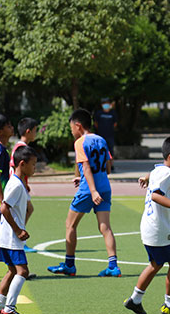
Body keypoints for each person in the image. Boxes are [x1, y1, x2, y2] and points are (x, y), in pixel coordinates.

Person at [125, 135, 170, 314]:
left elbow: (153, 173)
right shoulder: (166, 173)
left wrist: (146, 177)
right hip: (158, 228)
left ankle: (135, 300)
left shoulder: (159, 170)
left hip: (149, 226)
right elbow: (156, 195)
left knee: (156, 264)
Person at [47, 109, 119, 277]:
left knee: (70, 224)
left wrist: (91, 189)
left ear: (78, 125)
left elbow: (86, 167)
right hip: (105, 187)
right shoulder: (101, 140)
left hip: (89, 190)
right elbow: (108, 167)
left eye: (72, 127)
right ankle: (113, 266)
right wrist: (94, 183)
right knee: (105, 227)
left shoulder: (80, 142)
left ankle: (69, 264)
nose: (72, 131)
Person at [0, 145, 37, 314]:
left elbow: (24, 208)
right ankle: (9, 310)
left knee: (12, 271)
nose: (34, 168)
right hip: (11, 237)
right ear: (22, 164)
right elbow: (4, 208)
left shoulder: (18, 182)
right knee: (23, 271)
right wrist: (18, 229)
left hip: (6, 236)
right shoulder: (16, 184)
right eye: (33, 165)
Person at [11, 117, 38, 254]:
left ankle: (20, 236)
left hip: (20, 184)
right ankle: (20, 236)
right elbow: (15, 168)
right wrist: (21, 183)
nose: (36, 133)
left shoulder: (20, 146)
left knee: (27, 210)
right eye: (35, 131)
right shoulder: (21, 148)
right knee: (25, 210)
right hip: (18, 185)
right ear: (28, 131)